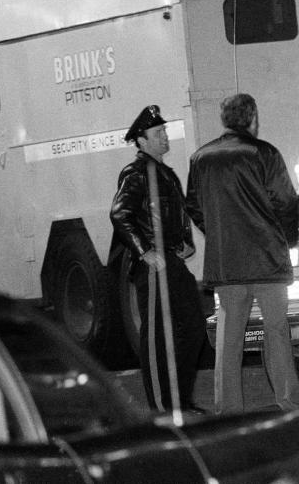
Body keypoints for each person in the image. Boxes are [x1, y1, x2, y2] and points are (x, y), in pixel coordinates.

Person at [185, 93, 299, 426]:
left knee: (229, 338)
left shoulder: (200, 157)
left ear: (225, 119)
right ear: (253, 118)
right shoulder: (264, 153)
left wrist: (219, 234)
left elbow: (193, 205)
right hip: (266, 260)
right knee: (276, 334)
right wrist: (285, 240)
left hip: (226, 263)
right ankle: (291, 407)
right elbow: (285, 202)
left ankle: (228, 413)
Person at [110, 105, 206, 412]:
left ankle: (181, 401)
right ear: (141, 140)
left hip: (172, 261)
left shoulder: (165, 173)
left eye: (164, 131)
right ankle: (164, 408)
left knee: (192, 328)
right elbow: (119, 214)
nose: (165, 136)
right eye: (158, 132)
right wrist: (144, 251)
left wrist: (186, 242)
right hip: (154, 267)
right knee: (157, 339)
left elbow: (177, 212)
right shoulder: (136, 173)